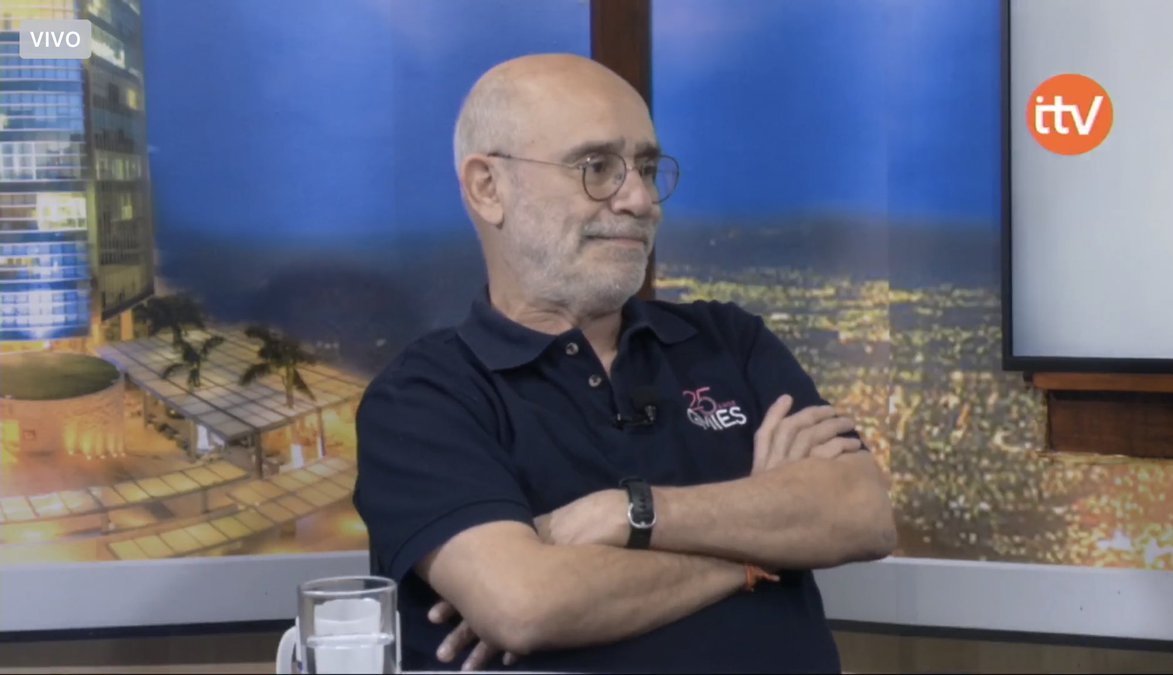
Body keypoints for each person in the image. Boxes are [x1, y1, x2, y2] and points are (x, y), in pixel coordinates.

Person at [352, 53, 896, 673]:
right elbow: (525, 604)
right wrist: (759, 548)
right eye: (597, 167)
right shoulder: (423, 397)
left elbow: (862, 514)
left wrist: (628, 514)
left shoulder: (728, 340)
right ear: (488, 188)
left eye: (647, 168)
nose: (640, 199)